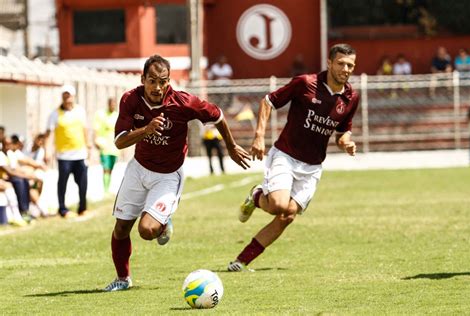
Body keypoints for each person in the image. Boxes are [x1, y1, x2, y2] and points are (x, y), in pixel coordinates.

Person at [104, 55, 250, 291]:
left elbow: (218, 115)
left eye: (163, 81)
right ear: (143, 79)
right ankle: (122, 279)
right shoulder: (130, 99)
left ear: (169, 81)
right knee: (121, 227)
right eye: (152, 81)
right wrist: (146, 129)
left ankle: (163, 222)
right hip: (138, 169)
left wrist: (231, 147)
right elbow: (120, 142)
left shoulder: (183, 102)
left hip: (168, 175)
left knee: (147, 230)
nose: (157, 87)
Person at [227, 43, 359, 272]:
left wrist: (345, 141)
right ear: (329, 63)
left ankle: (241, 260)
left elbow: (342, 131)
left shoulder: (351, 97)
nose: (345, 69)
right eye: (341, 63)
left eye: (350, 65)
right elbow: (268, 102)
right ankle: (257, 195)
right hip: (286, 156)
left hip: (313, 166)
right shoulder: (306, 83)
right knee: (278, 205)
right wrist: (259, 136)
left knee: (287, 215)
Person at [45, 84, 91, 218]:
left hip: (80, 154)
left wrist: (88, 145)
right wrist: (47, 151)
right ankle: (62, 209)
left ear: (74, 96)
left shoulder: (80, 111)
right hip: (64, 156)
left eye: (69, 95)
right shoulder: (54, 114)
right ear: (62, 97)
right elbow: (49, 133)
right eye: (65, 95)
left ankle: (82, 208)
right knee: (62, 184)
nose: (67, 98)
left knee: (83, 183)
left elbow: (85, 129)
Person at [94, 97, 120, 193]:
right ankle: (106, 190)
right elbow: (96, 129)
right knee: (106, 168)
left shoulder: (117, 116)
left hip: (114, 147)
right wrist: (96, 140)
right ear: (108, 104)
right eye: (111, 104)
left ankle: (108, 186)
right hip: (104, 146)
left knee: (111, 168)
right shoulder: (101, 114)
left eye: (114, 104)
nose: (112, 105)